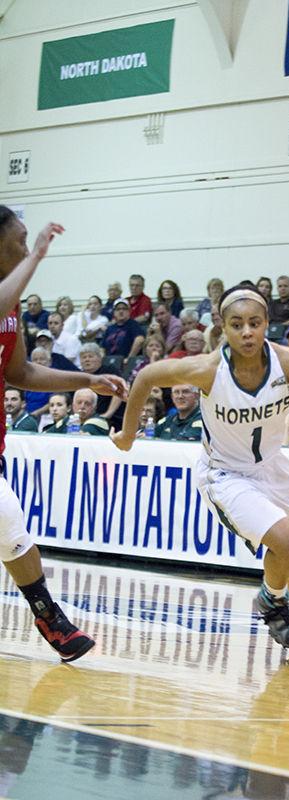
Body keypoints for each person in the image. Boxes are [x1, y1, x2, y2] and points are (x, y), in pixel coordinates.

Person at [112, 282, 289, 658]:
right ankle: (270, 601)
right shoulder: (207, 369)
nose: (247, 332)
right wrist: (129, 433)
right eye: (237, 324)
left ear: (267, 323)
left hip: (271, 465)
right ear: (223, 327)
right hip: (224, 473)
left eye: (255, 323)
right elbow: (147, 377)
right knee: (286, 541)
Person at [0, 206, 127, 661]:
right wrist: (35, 257)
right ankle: (51, 616)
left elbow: (20, 372)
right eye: (18, 241)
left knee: (12, 534)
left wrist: (84, 380)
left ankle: (48, 618)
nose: (25, 247)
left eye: (26, 241)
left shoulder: (11, 308)